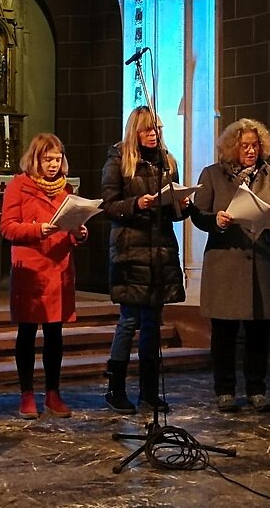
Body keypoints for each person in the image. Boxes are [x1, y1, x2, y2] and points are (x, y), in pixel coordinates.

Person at [190, 118, 270, 413]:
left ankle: (257, 389)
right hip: (226, 261)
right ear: (233, 147)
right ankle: (225, 390)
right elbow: (197, 214)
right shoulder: (213, 174)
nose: (250, 151)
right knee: (225, 332)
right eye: (244, 146)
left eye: (255, 145)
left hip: (261, 261)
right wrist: (216, 220)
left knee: (259, 331)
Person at [100, 105, 191, 413]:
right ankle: (116, 389)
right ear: (135, 132)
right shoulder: (119, 160)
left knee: (153, 322)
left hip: (160, 250)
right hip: (130, 251)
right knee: (129, 321)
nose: (154, 135)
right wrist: (136, 203)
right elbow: (109, 205)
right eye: (148, 130)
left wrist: (183, 203)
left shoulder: (167, 161)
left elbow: (173, 212)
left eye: (157, 130)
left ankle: (150, 392)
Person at [0, 133, 88, 419]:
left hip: (58, 269)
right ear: (35, 159)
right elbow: (8, 228)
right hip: (31, 268)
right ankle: (27, 394)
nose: (53, 164)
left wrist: (78, 234)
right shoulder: (18, 186)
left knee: (54, 334)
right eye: (47, 159)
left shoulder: (66, 189)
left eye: (57, 158)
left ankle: (53, 392)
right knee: (27, 332)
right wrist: (38, 229)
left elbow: (71, 227)